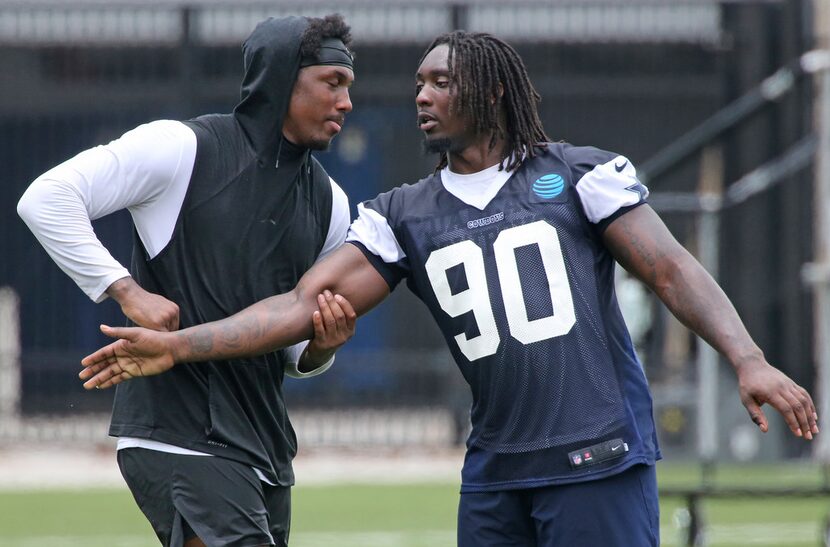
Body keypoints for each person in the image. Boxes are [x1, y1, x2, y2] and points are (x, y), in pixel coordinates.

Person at [78, 31, 819, 546]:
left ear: (490, 89)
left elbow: (670, 270)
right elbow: (299, 306)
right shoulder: (403, 215)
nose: (422, 97)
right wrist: (178, 345)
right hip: (497, 472)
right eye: (418, 84)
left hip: (598, 458)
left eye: (440, 81)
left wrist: (747, 357)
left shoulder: (575, 174)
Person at [17, 14, 358, 547]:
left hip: (264, 446)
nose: (346, 102)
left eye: (349, 87)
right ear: (282, 76)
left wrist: (320, 347)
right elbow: (46, 198)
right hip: (177, 434)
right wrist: (125, 290)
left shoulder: (331, 203)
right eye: (332, 82)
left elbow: (294, 355)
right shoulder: (181, 148)